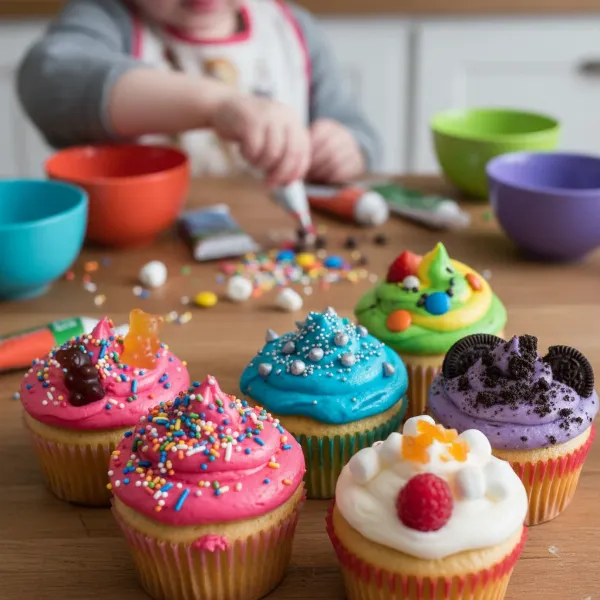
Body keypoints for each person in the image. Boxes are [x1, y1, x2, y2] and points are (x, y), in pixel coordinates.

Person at [17, 0, 381, 187]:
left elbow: (358, 131)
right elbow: (49, 78)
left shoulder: (292, 31)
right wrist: (218, 103)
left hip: (271, 246)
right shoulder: (109, 19)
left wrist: (348, 148)